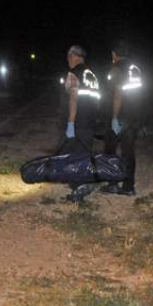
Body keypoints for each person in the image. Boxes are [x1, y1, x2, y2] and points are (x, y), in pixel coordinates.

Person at [100, 40, 144, 196]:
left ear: (114, 54)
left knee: (110, 152)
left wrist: (114, 117)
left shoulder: (116, 69)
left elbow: (118, 94)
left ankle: (112, 183)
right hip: (134, 117)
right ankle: (129, 186)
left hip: (120, 118)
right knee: (128, 153)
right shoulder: (136, 69)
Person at [62, 45, 101, 202]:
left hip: (79, 120)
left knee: (78, 155)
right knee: (83, 152)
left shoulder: (74, 73)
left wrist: (71, 123)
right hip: (91, 120)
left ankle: (79, 189)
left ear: (73, 56)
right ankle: (78, 182)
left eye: (68, 57)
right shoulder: (91, 74)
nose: (67, 61)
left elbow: (73, 99)